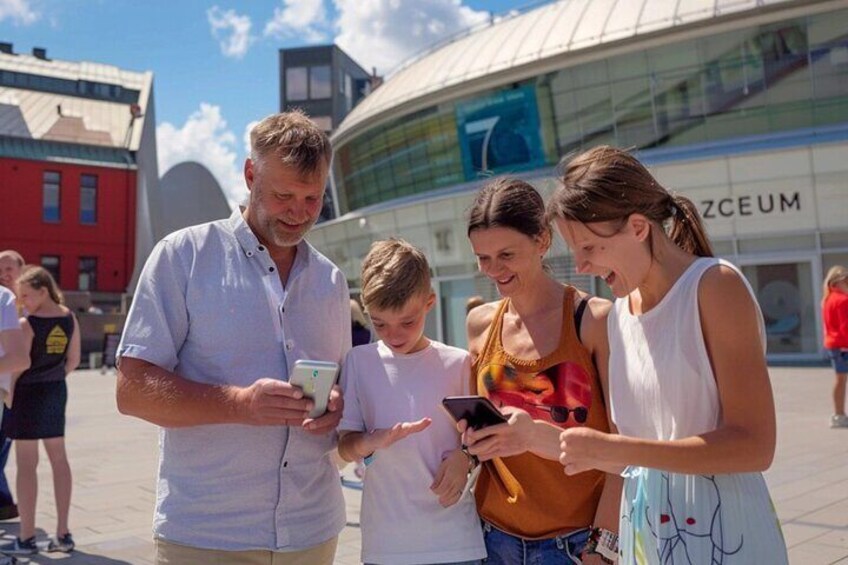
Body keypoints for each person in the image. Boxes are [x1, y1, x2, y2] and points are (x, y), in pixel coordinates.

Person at [115, 111, 351, 565]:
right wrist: (239, 404)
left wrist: (338, 404)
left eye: (312, 198)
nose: (299, 212)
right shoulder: (182, 257)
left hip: (312, 529)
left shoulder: (331, 280)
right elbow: (131, 390)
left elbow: (342, 385)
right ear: (249, 174)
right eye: (284, 195)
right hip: (209, 534)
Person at [550, 145, 788, 563]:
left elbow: (755, 446)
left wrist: (615, 450)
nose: (581, 265)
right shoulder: (619, 314)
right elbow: (628, 450)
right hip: (646, 534)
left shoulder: (714, 287)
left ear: (638, 227)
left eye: (588, 247)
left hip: (721, 531)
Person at [462, 178, 621, 565]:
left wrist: (603, 547)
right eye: (483, 258)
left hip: (575, 543)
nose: (493, 269)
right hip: (491, 538)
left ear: (542, 241)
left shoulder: (593, 320)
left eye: (506, 254)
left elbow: (623, 445)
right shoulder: (480, 324)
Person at [338, 238, 486, 565]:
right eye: (379, 324)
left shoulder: (458, 363)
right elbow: (345, 447)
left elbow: (482, 442)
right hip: (386, 546)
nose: (394, 335)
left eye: (407, 321)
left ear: (430, 302)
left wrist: (465, 459)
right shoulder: (358, 363)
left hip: (455, 542)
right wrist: (370, 441)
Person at [1, 266, 80, 557]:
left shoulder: (27, 323)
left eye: (25, 295)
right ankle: (63, 533)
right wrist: (53, 379)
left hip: (27, 395)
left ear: (43, 290)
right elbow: (73, 361)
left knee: (26, 465)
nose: (21, 302)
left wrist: (8, 396)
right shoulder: (70, 318)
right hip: (56, 391)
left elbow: (19, 366)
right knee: (59, 461)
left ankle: (27, 536)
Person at [0, 249, 25, 523]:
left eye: (9, 269)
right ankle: (5, 503)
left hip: (18, 391)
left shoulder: (28, 305)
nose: (4, 274)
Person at [822, 265, 848, 428]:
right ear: (838, 281)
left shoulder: (827, 300)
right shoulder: (843, 300)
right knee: (841, 379)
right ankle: (839, 415)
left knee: (840, 379)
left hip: (834, 344)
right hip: (843, 345)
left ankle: (838, 414)